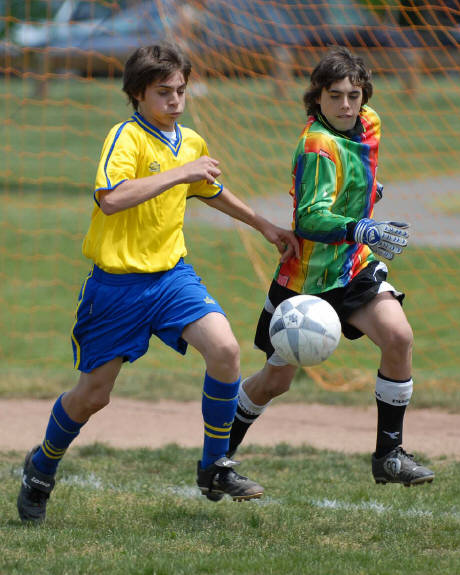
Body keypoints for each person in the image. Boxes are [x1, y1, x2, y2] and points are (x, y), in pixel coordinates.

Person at [17, 42, 300, 522]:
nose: (175, 100)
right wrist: (179, 173)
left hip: (171, 278)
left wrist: (264, 226)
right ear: (138, 94)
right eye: (163, 92)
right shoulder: (125, 137)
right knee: (93, 396)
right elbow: (111, 198)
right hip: (116, 287)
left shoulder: (189, 142)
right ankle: (42, 466)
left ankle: (214, 466)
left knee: (225, 350)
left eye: (180, 90)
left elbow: (208, 188)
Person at [227, 46, 435, 487]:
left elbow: (359, 168)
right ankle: (217, 458)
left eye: (353, 95)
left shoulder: (370, 122)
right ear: (317, 97)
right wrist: (361, 226)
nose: (345, 105)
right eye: (334, 95)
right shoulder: (315, 146)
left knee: (398, 337)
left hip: (353, 266)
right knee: (274, 382)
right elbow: (310, 217)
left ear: (364, 97)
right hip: (306, 279)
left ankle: (389, 456)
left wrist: (368, 191)